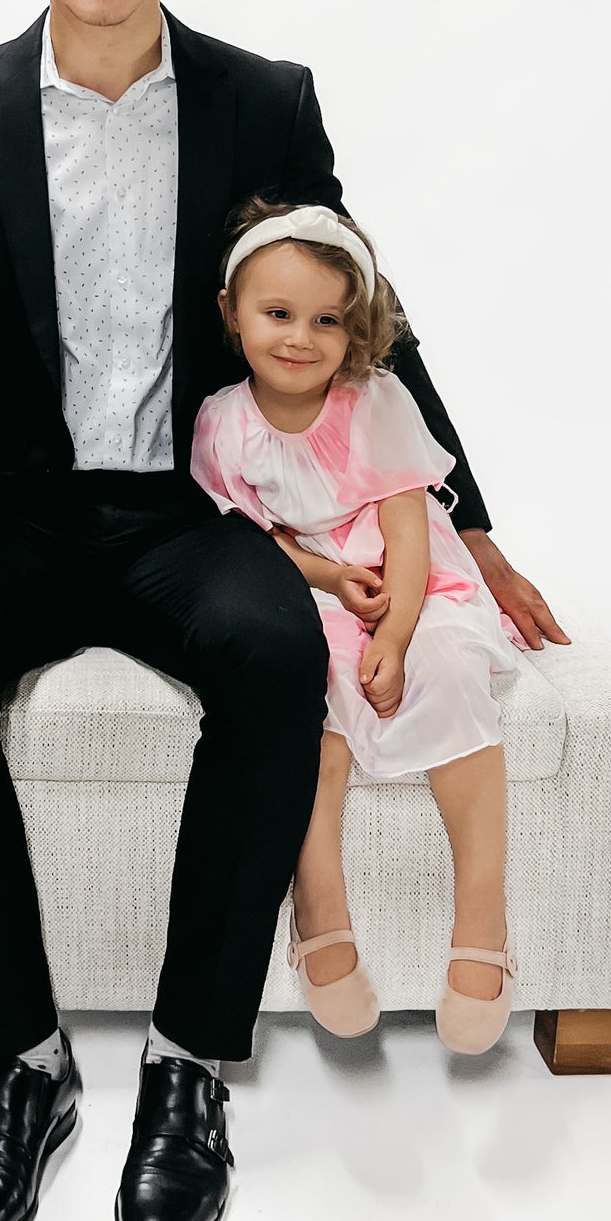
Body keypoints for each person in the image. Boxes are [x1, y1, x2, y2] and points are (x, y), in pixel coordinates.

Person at [0, 0, 567, 1221]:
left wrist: (474, 517)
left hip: (200, 507)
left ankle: (189, 1068)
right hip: (25, 508)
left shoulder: (264, 101)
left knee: (275, 652)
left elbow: (363, 307)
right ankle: (17, 1071)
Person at [192, 200, 521, 1054]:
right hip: (313, 581)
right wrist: (330, 578)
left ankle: (482, 926)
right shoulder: (223, 422)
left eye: (327, 320)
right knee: (310, 697)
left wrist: (398, 633)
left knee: (452, 675)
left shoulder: (372, 400)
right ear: (233, 315)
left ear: (355, 329)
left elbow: (408, 529)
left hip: (411, 581)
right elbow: (260, 536)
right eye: (278, 315)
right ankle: (321, 914)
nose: (301, 338)